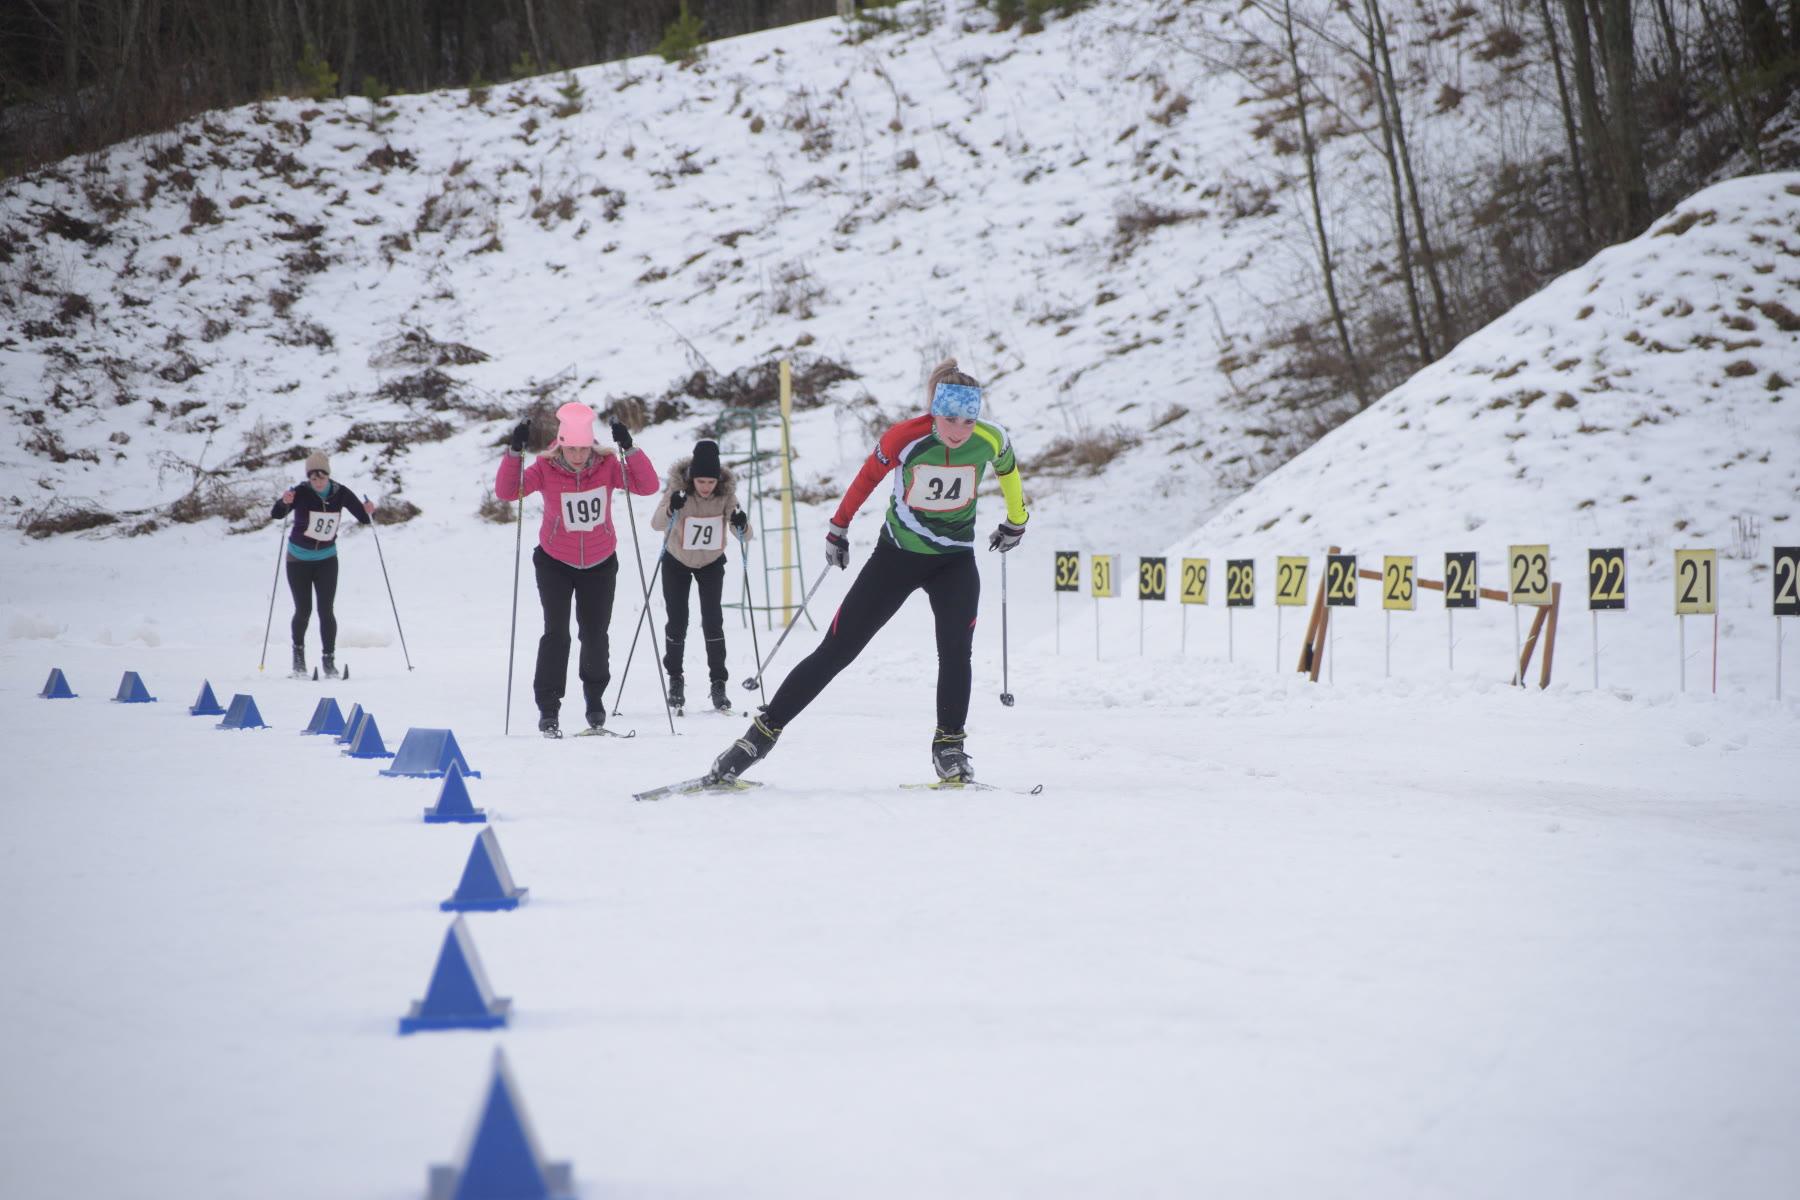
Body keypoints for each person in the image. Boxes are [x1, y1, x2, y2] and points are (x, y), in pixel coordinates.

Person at [704, 359, 1028, 784]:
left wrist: (1016, 520)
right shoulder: (904, 437)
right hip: (896, 557)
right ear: (935, 411)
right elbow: (866, 478)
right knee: (837, 650)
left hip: (955, 561)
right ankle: (756, 738)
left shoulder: (991, 438)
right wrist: (838, 528)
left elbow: (1009, 473)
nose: (959, 430)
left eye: (969, 421)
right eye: (950, 418)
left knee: (955, 653)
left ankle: (949, 747)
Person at [496, 400, 659, 737]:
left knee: (595, 635)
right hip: (555, 560)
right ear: (561, 444)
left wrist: (628, 447)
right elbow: (507, 491)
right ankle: (549, 708)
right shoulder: (545, 468)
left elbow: (648, 486)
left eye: (584, 448)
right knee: (557, 633)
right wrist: (515, 451)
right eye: (571, 448)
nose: (578, 455)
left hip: (600, 562)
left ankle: (595, 701)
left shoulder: (608, 466)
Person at [649, 439, 751, 714]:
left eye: (710, 482)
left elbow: (745, 535)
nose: (706, 487)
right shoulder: (678, 489)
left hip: (711, 563)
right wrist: (673, 505)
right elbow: (656, 523)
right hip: (676, 561)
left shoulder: (726, 495)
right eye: (700, 481)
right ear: (692, 478)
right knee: (678, 620)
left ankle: (718, 682)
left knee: (713, 621)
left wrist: (741, 523)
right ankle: (675, 679)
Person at [272, 450, 373, 679]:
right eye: (313, 478)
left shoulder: (340, 492)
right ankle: (298, 661)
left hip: (327, 559)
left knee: (326, 610)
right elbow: (277, 514)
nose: (317, 482)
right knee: (303, 610)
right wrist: (283, 501)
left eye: (321, 477)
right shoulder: (300, 492)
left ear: (328, 475)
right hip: (298, 559)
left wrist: (369, 511)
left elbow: (364, 518)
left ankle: (329, 662)